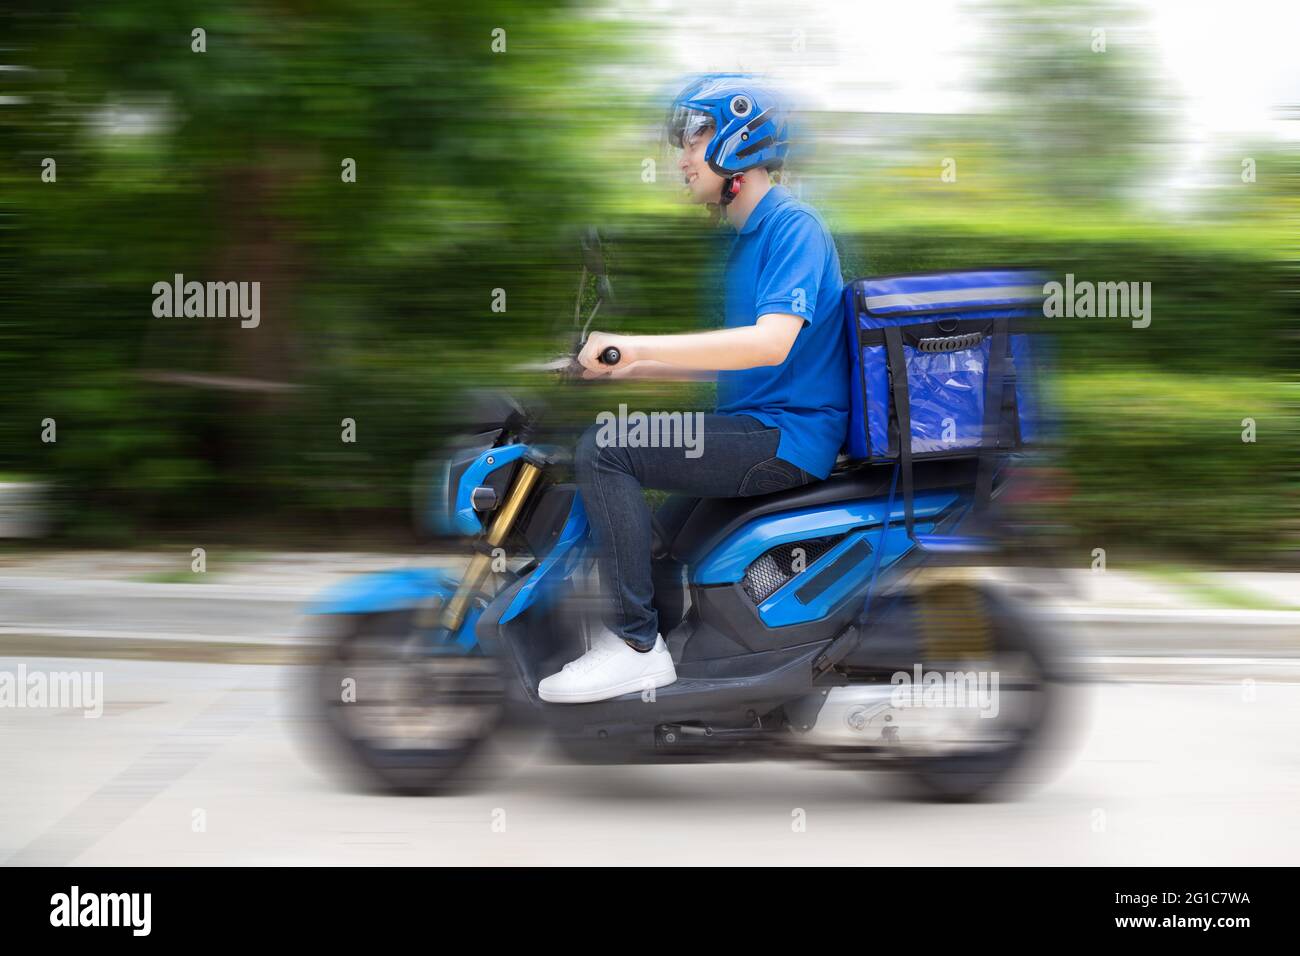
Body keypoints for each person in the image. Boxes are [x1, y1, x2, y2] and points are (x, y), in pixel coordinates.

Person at [538, 74, 849, 703]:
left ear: (739, 141)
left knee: (608, 448)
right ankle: (680, 674)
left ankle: (633, 647)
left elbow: (769, 344)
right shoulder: (745, 240)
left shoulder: (793, 226)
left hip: (785, 435)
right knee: (656, 542)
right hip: (759, 425)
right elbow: (734, 362)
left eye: (693, 139)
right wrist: (623, 367)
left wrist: (634, 345)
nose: (681, 159)